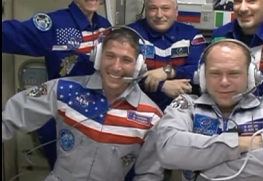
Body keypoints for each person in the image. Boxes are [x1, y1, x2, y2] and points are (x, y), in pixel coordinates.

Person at [2, 27, 164, 181]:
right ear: (98, 57)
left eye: (126, 60)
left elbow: (149, 174)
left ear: (138, 67)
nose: (116, 67)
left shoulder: (151, 116)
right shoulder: (65, 90)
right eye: (110, 56)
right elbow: (11, 116)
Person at [2, 0, 112, 170]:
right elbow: (12, 33)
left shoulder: (104, 26)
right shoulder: (54, 24)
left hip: (95, 115)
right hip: (61, 114)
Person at [155, 39, 263, 181]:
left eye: (234, 74)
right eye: (215, 73)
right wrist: (240, 144)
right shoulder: (186, 106)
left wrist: (200, 167)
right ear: (202, 77)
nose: (224, 82)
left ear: (251, 76)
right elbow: (168, 150)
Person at [127, 0, 207, 111]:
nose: (159, 15)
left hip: (183, 108)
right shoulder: (129, 35)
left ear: (176, 11)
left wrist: (169, 71)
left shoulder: (191, 35)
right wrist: (162, 86)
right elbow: (121, 74)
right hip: (137, 107)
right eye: (153, 8)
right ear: (146, 11)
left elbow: (201, 70)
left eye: (165, 8)